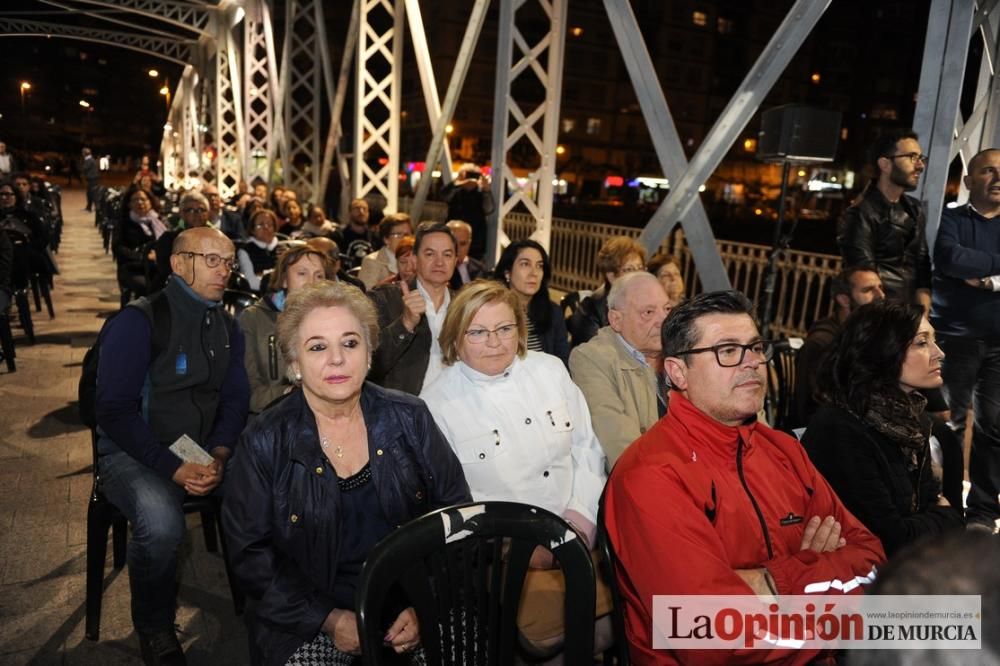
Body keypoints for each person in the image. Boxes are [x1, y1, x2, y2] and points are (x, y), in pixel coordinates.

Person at [604, 290, 885, 665]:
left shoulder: (782, 450)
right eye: (727, 351)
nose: (751, 362)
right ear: (677, 372)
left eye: (754, 347)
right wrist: (820, 573)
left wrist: (774, 580)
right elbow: (712, 635)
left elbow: (873, 560)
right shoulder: (651, 476)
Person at [223, 280, 470, 666]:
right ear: (294, 364)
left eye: (351, 343)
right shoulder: (264, 440)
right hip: (309, 614)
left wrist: (426, 604)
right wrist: (327, 618)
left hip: (413, 600)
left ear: (369, 354)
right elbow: (250, 555)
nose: (337, 359)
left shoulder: (410, 416)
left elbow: (457, 517)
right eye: (318, 347)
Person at [419, 280, 609, 654]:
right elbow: (451, 507)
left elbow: (587, 447)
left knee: (648, 610)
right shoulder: (436, 406)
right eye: (478, 332)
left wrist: (581, 521)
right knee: (552, 640)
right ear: (456, 337)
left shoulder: (550, 369)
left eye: (505, 329)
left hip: (582, 531)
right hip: (504, 554)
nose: (494, 342)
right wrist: (515, 546)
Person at [95, 227, 250, 665]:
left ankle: (274, 604)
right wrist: (172, 466)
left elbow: (236, 399)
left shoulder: (226, 325)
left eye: (229, 261)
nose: (225, 270)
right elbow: (113, 411)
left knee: (272, 491)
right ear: (179, 264)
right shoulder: (138, 320)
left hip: (199, 450)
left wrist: (219, 452)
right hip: (133, 450)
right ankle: (154, 624)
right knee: (163, 526)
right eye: (213, 260)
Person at [802, 301, 965, 556]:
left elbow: (950, 518)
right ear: (881, 351)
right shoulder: (841, 429)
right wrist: (943, 516)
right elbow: (890, 539)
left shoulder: (913, 421)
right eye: (922, 343)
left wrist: (942, 516)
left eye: (934, 341)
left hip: (910, 570)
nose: (939, 353)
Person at [931, 147, 1000, 532]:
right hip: (954, 339)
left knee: (995, 429)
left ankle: (983, 512)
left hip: (999, 344)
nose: (998, 178)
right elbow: (950, 259)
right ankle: (947, 507)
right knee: (948, 425)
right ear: (970, 181)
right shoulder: (952, 219)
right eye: (988, 171)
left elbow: (965, 264)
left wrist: (983, 274)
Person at [569, 272, 670, 466]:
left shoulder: (682, 352)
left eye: (667, 309)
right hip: (644, 480)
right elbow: (619, 444)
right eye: (648, 312)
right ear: (616, 319)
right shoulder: (592, 359)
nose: (663, 320)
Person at [838, 128, 931, 310]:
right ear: (885, 164)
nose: (920, 165)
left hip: (909, 313)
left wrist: (923, 311)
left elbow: (922, 263)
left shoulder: (914, 208)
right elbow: (863, 274)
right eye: (912, 157)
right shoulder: (861, 212)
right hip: (880, 314)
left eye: (921, 158)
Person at [239, 245, 336, 413]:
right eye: (302, 273)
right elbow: (249, 394)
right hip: (273, 418)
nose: (311, 283)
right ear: (284, 279)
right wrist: (290, 393)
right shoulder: (253, 319)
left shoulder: (336, 320)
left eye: (319, 276)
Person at [367, 221, 457, 395]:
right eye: (430, 254)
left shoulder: (463, 305)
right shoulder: (385, 298)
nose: (439, 262)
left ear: (455, 261)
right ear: (414, 260)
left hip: (453, 410)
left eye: (447, 255)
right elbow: (369, 365)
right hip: (401, 412)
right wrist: (405, 324)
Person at [793, 267, 885, 428]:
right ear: (844, 299)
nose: (881, 295)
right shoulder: (822, 343)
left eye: (880, 287)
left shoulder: (868, 335)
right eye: (868, 290)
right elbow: (814, 408)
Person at [492, 239, 568, 364]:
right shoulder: (491, 310)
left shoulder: (553, 312)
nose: (534, 273)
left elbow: (562, 361)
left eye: (539, 266)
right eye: (525, 264)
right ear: (507, 272)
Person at [568, 236, 645, 347]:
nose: (638, 275)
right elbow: (592, 356)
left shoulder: (646, 303)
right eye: (630, 269)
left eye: (640, 268)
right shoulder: (590, 310)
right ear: (611, 276)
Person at [113, 185, 167, 298]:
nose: (140, 203)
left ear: (150, 202)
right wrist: (144, 256)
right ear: (129, 204)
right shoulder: (124, 223)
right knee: (147, 287)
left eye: (143, 199)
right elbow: (119, 249)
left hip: (158, 267)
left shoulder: (158, 221)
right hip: (134, 268)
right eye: (135, 200)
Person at [152, 192, 212, 291]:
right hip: (173, 288)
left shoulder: (216, 239)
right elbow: (166, 270)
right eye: (190, 210)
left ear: (208, 214)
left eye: (201, 209)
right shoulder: (169, 239)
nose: (197, 213)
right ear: (181, 214)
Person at [440, 164, 494, 260]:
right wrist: (458, 182)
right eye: (468, 175)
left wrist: (486, 190)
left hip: (475, 241)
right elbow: (444, 196)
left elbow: (489, 209)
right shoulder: (456, 191)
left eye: (475, 176)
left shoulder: (480, 193)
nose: (471, 179)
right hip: (453, 237)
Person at [358, 213, 413, 289]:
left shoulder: (417, 258)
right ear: (386, 239)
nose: (404, 238)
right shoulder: (372, 261)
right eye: (398, 234)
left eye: (407, 234)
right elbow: (365, 295)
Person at [237, 209, 280, 292]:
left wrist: (263, 275)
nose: (266, 228)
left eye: (270, 224)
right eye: (260, 225)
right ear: (252, 230)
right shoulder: (245, 251)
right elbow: (250, 282)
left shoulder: (284, 248)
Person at [332, 198, 376, 269]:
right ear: (349, 213)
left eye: (365, 209)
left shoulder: (376, 237)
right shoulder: (338, 236)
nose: (361, 212)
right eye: (357, 208)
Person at [446, 220, 485, 288]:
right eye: (454, 243)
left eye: (462, 244)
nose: (457, 248)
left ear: (469, 243)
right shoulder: (440, 267)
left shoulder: (480, 268)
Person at [82, 147, 101, 212]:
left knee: (93, 193)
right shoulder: (90, 159)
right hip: (91, 179)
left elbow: (85, 168)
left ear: (84, 153)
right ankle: (89, 207)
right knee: (89, 193)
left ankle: (97, 207)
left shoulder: (89, 160)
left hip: (93, 179)